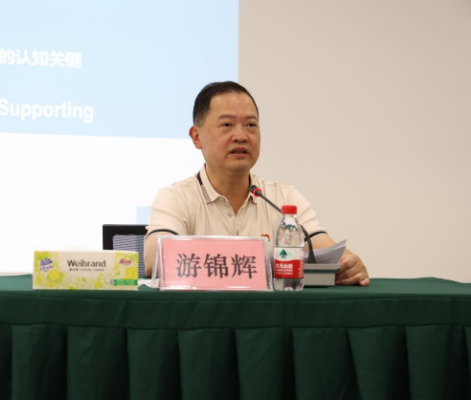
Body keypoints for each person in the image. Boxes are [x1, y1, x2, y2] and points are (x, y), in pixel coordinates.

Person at [144, 81, 369, 286]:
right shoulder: (176, 197)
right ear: (196, 137)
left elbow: (324, 250)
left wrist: (348, 263)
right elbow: (155, 259)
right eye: (227, 124)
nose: (241, 136)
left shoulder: (282, 198)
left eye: (250, 125)